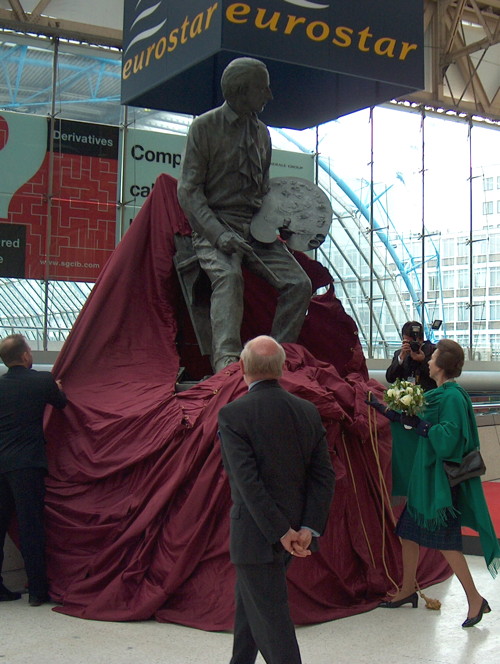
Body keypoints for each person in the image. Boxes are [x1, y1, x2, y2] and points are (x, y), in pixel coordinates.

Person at [177, 58, 312, 373]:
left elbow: (263, 189)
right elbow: (189, 192)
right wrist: (219, 235)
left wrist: (285, 218)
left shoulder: (262, 133)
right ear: (241, 90)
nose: (269, 95)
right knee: (230, 276)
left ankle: (275, 357)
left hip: (256, 228)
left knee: (299, 283)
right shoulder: (204, 128)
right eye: (262, 87)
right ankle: (226, 363)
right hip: (216, 226)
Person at [218, 336, 335, 664]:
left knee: (272, 625)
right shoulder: (307, 411)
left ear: (241, 367)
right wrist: (306, 528)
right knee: (250, 610)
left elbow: (248, 485)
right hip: (294, 534)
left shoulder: (233, 414)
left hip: (259, 536)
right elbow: (323, 476)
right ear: (282, 368)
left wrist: (281, 532)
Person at [368, 339, 500, 627]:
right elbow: (414, 421)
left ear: (442, 365)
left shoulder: (452, 397)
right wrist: (381, 408)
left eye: (433, 357)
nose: (428, 361)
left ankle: (475, 599)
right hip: (427, 482)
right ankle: (407, 589)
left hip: (440, 485)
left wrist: (422, 426)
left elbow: (449, 437)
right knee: (408, 534)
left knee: (446, 543)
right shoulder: (440, 394)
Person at [0, 334, 67, 606]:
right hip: (27, 465)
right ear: (27, 356)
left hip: (1, 464)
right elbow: (62, 403)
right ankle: (38, 590)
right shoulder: (41, 381)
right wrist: (58, 388)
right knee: (31, 527)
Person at [386, 321, 436, 391]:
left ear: (421, 340)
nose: (410, 345)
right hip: (405, 396)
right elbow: (390, 378)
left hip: (428, 395)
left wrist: (423, 361)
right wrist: (400, 359)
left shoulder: (433, 352)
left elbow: (438, 376)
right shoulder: (400, 353)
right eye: (406, 342)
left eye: (412, 342)